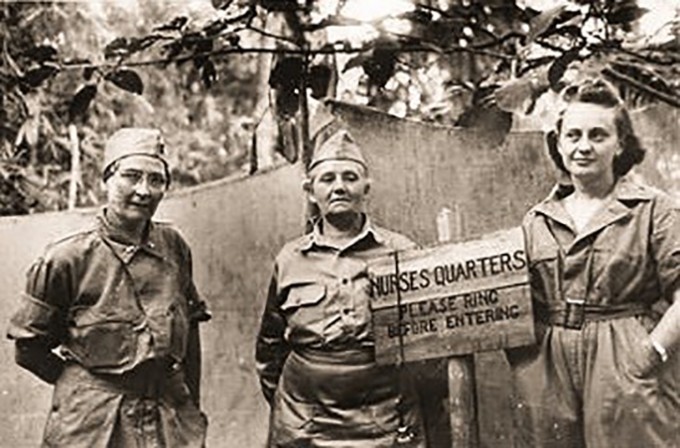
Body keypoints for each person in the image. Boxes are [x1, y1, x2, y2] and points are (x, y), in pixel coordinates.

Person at [7, 128, 211, 447]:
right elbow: (28, 348)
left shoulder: (174, 247)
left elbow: (190, 333)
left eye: (156, 180)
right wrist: (84, 389)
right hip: (93, 427)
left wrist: (190, 408)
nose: (144, 191)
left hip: (167, 417)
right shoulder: (67, 258)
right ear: (107, 179)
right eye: (131, 176)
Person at [507, 78, 680, 447]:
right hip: (549, 365)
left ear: (620, 144)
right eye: (573, 136)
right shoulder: (537, 219)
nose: (583, 146)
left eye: (598, 135)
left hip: (624, 357)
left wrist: (652, 352)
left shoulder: (654, 209)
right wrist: (528, 362)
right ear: (559, 143)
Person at [255, 126, 427, 447]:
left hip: (383, 415)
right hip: (304, 419)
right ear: (310, 191)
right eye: (327, 179)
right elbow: (269, 348)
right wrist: (292, 405)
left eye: (349, 177)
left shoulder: (402, 252)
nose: (339, 187)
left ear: (366, 187)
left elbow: (428, 345)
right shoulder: (290, 259)